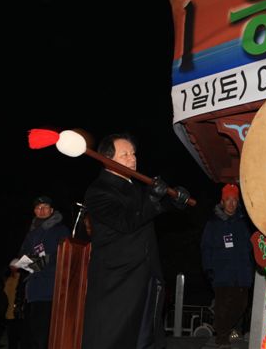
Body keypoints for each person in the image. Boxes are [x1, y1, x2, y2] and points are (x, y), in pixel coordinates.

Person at [81, 132, 190, 349]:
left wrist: (175, 201)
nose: (132, 159)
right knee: (115, 337)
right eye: (125, 154)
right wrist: (152, 198)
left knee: (145, 336)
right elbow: (127, 222)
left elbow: (150, 212)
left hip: (144, 273)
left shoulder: (135, 187)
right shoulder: (98, 191)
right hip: (117, 279)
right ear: (108, 159)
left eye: (133, 153)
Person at [201, 183, 255, 349]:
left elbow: (251, 247)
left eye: (234, 200)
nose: (231, 203)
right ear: (222, 202)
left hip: (242, 274)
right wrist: (209, 268)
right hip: (222, 274)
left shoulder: (244, 223)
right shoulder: (213, 224)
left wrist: (251, 268)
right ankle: (222, 338)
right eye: (228, 200)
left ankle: (222, 328)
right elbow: (205, 247)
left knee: (241, 305)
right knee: (223, 306)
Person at [18, 195, 70, 349]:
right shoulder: (32, 233)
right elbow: (22, 255)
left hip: (54, 291)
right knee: (33, 336)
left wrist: (37, 262)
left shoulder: (61, 230)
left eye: (45, 207)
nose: (41, 210)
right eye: (38, 208)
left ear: (52, 210)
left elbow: (63, 254)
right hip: (34, 292)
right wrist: (25, 262)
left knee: (49, 337)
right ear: (34, 211)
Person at [4, 259, 25, 349]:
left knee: (20, 335)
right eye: (11, 267)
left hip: (17, 311)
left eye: (13, 267)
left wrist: (19, 306)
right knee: (11, 336)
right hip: (9, 311)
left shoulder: (21, 278)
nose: (12, 269)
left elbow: (20, 294)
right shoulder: (9, 278)